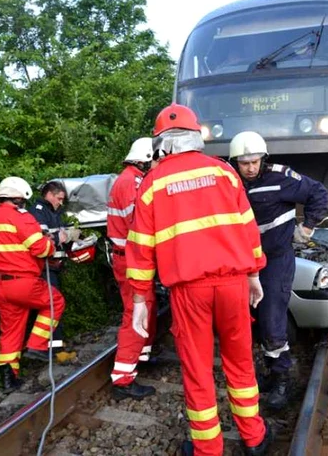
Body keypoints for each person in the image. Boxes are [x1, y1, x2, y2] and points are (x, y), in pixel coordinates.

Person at [126, 104, 273, 456]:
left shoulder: (151, 184)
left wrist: (139, 301)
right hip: (234, 284)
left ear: (161, 143)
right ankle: (254, 437)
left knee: (198, 368)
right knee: (240, 362)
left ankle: (208, 448)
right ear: (197, 137)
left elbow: (141, 250)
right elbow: (248, 229)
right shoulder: (224, 173)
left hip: (189, 291)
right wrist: (254, 273)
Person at [229, 131, 328, 410]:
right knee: (253, 322)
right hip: (244, 263)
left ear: (264, 159)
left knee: (272, 319)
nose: (250, 167)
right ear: (235, 162)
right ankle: (270, 373)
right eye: (244, 162)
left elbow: (318, 193)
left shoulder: (281, 177)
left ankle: (283, 378)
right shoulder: (231, 182)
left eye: (255, 161)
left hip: (275, 260)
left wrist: (307, 226)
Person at [0, 177, 66, 392]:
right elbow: (41, 249)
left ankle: (9, 379)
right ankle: (36, 346)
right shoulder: (21, 217)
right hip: (23, 282)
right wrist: (52, 242)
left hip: (0, 285)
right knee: (55, 301)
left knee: (10, 331)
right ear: (18, 198)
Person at [107, 137, 158, 400]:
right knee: (135, 313)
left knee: (146, 308)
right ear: (146, 160)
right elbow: (140, 224)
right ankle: (123, 379)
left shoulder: (127, 179)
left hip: (129, 256)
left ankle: (143, 356)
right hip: (131, 258)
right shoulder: (132, 183)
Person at [28, 180, 80, 356]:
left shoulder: (53, 212)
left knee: (55, 305)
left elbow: (59, 234)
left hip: (54, 267)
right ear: (49, 195)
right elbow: (44, 238)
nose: (61, 202)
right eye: (59, 198)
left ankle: (56, 348)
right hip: (45, 269)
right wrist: (64, 235)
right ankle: (52, 350)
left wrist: (75, 236)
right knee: (51, 306)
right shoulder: (38, 211)